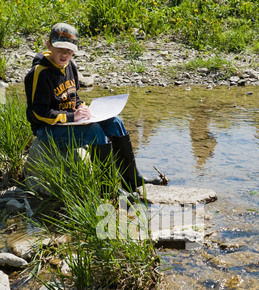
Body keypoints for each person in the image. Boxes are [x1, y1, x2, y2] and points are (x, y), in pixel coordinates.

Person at [24, 22, 163, 191]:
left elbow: (74, 97)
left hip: (70, 123)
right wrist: (71, 117)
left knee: (115, 122)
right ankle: (107, 188)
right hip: (47, 130)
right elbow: (37, 112)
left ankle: (132, 178)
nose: (64, 54)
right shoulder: (39, 73)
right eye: (60, 49)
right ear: (49, 45)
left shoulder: (70, 66)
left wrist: (81, 108)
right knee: (95, 131)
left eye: (69, 50)